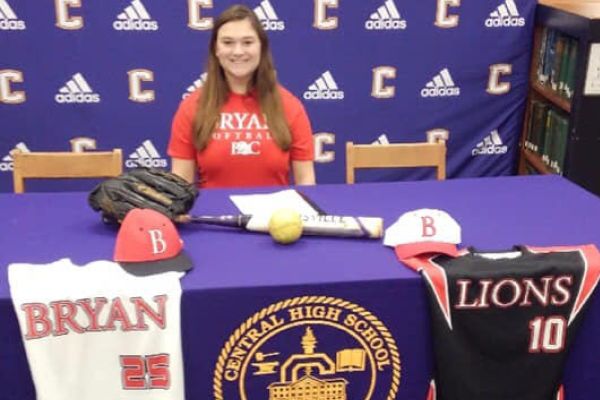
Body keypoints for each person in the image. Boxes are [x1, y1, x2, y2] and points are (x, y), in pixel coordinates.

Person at [168, 4, 316, 188]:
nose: (238, 51)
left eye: (247, 42)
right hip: (212, 216)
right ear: (216, 49)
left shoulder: (290, 106)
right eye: (228, 42)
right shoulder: (192, 107)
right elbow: (180, 187)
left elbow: (306, 182)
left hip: (272, 216)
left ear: (261, 48)